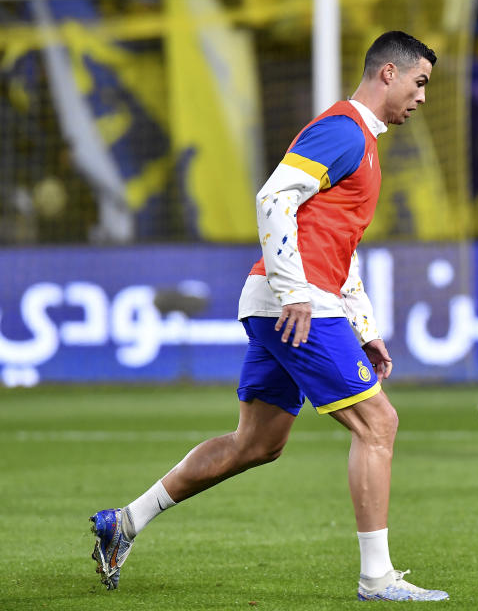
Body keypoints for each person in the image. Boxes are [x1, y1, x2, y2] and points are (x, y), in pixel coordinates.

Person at [88, 31, 449, 602]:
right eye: (420, 82)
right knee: (379, 425)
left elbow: (339, 245)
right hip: (295, 305)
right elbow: (272, 198)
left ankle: (124, 522)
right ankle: (377, 579)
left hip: (289, 302)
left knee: (256, 444)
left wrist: (366, 329)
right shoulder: (341, 130)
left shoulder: (364, 144)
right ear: (388, 74)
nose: (423, 97)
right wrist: (295, 292)